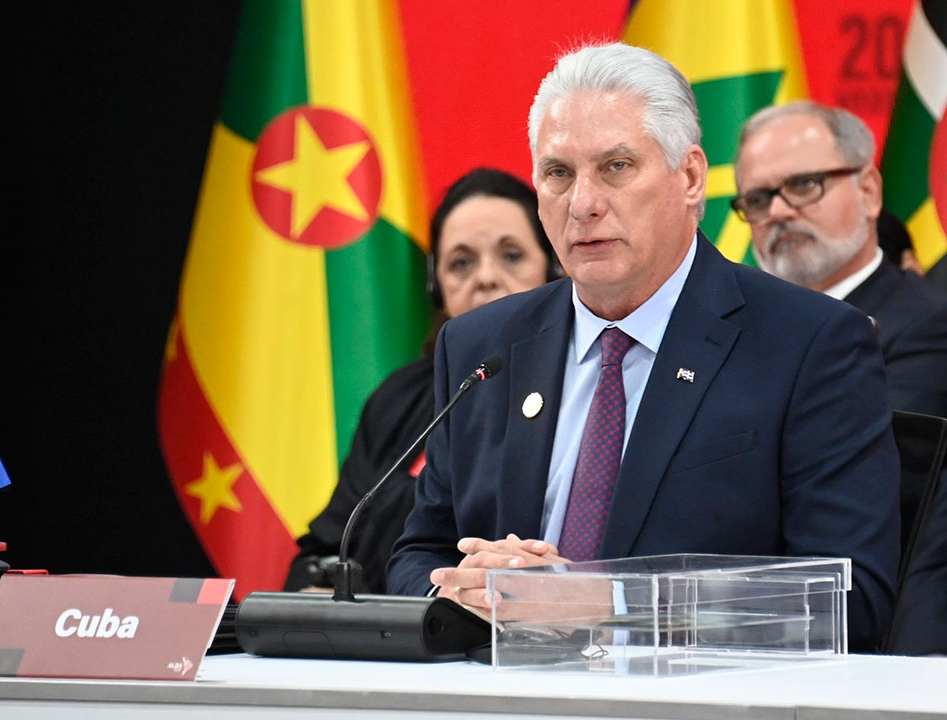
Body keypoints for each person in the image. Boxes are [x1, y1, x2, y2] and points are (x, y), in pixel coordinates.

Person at [387, 43, 899, 652]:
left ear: (689, 178)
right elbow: (420, 551)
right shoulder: (480, 346)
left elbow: (850, 599)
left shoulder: (810, 344)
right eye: (558, 174)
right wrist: (452, 594)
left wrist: (611, 603)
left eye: (616, 167)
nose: (583, 203)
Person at [283, 168, 561, 594]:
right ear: (436, 287)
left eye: (511, 255)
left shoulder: (584, 384)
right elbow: (328, 546)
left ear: (553, 268)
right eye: (461, 262)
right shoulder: (401, 398)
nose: (485, 277)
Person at [734, 101, 947, 420]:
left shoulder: (929, 324)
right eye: (757, 199)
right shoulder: (730, 328)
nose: (777, 212)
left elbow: (878, 463)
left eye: (804, 184)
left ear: (868, 192)